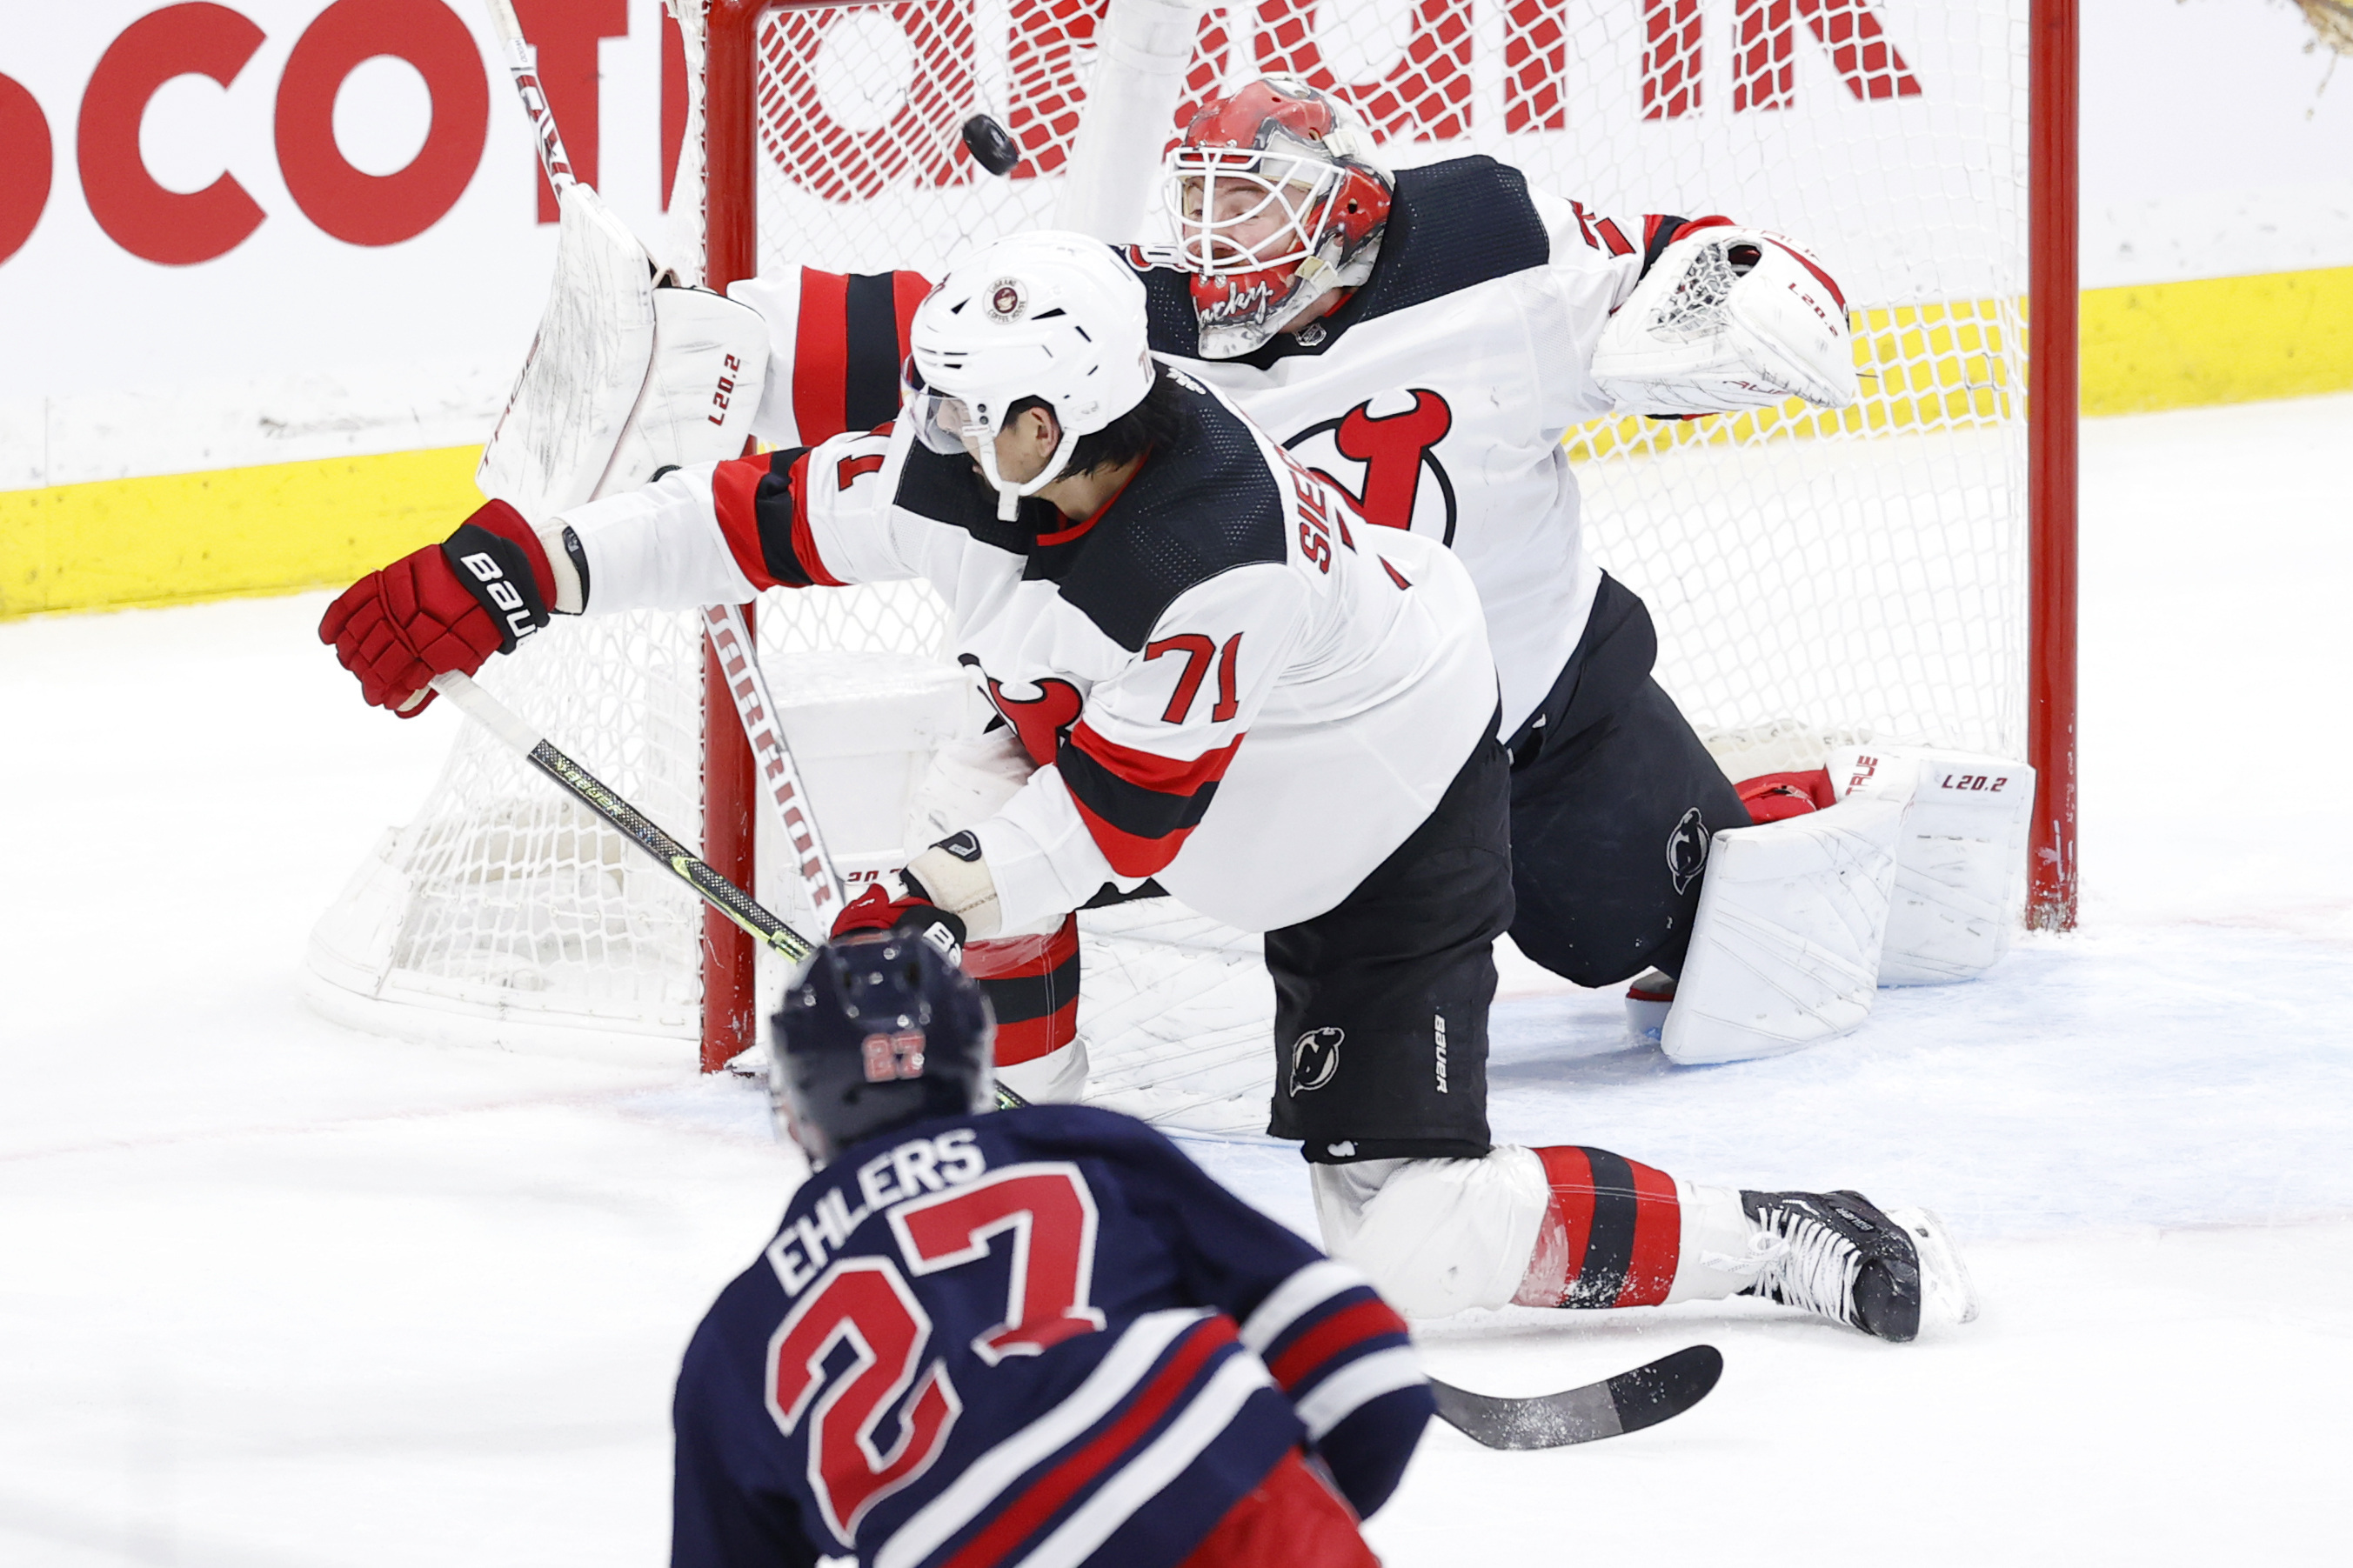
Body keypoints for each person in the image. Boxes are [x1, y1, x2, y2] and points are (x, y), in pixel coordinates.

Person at [320, 231, 1977, 1344]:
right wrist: (515, 571)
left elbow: (1115, 825)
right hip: (1154, 752)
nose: (953, 446)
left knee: (1418, 1245)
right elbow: (746, 518)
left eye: (997, 418)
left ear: (1089, 408)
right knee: (963, 786)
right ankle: (1032, 1209)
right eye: (949, 407)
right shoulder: (969, 464)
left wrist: (925, 906)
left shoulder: (1210, 553)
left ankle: (1781, 1229)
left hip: (1379, 799)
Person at [672, 932, 1430, 1567]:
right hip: (1232, 1511)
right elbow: (1368, 1365)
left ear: (797, 1105)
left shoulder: (737, 1339)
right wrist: (1263, 1494)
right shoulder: (1078, 1146)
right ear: (974, 1061)